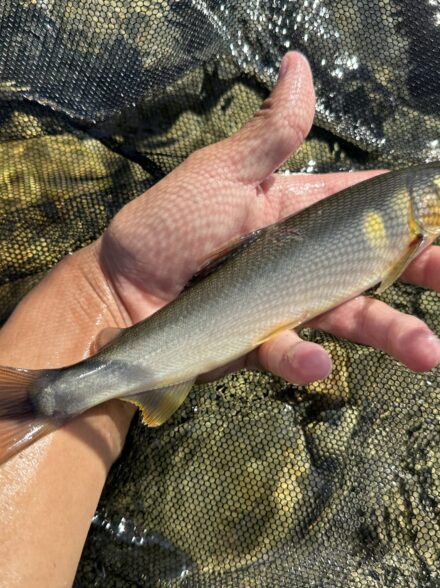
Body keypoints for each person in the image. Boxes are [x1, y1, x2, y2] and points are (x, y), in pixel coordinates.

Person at [0, 52, 439, 586]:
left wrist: (103, 291)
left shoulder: (412, 213)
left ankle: (55, 394)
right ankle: (52, 395)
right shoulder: (410, 224)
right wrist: (109, 290)